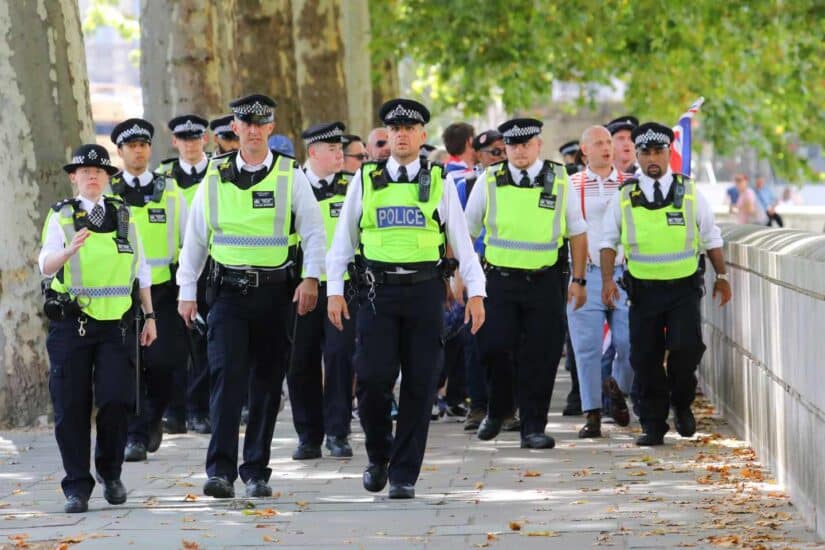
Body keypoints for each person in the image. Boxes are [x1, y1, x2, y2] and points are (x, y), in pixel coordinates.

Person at [326, 98, 486, 499]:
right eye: (393, 128)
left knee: (420, 384)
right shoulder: (364, 179)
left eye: (408, 128)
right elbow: (342, 241)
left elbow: (462, 245)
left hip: (424, 292)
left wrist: (477, 293)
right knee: (374, 379)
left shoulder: (439, 181)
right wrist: (333, 290)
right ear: (386, 136)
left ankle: (403, 474)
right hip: (376, 293)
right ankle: (378, 455)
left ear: (421, 135)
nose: (400, 134)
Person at [176, 94, 326, 498]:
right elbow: (195, 238)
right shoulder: (214, 174)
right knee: (226, 376)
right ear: (235, 129)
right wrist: (186, 291)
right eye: (247, 124)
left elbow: (313, 232)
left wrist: (310, 279)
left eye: (262, 124)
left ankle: (256, 469)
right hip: (227, 293)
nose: (255, 131)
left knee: (266, 383)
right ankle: (219, 470)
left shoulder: (290, 175)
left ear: (271, 129)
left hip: (276, 295)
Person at [39, 144, 157, 513]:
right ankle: (77, 486)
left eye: (99, 171)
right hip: (71, 325)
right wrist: (68, 252)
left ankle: (111, 471)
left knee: (117, 401)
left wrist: (150, 316)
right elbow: (45, 265)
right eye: (85, 170)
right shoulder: (61, 216)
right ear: (74, 177)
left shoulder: (125, 215)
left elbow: (142, 271)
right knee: (71, 406)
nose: (92, 175)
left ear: (108, 178)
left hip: (116, 327)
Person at [600, 122, 732, 446]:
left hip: (683, 288)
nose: (652, 158)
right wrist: (606, 279)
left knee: (687, 349)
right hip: (643, 291)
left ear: (668, 153)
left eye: (658, 151)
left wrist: (723, 276)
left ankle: (682, 402)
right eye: (645, 152)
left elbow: (710, 236)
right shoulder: (625, 196)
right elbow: (608, 240)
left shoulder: (689, 192)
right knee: (644, 357)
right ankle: (653, 423)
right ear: (639, 156)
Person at [465, 117, 588, 448]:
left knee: (542, 355)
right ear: (505, 148)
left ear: (538, 145)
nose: (519, 151)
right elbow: (467, 231)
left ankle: (533, 427)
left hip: (545, 282)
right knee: (493, 348)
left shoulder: (559, 179)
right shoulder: (489, 180)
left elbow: (577, 231)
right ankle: (499, 409)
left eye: (526, 144)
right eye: (513, 145)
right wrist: (460, 276)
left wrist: (579, 279)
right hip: (498, 282)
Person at [108, 118, 189, 462]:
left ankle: (154, 417)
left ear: (150, 150)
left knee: (165, 362)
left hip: (163, 289)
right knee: (130, 363)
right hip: (122, 292)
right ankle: (136, 434)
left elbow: (188, 237)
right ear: (121, 152)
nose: (138, 151)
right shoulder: (109, 192)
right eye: (131, 147)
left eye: (143, 145)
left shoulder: (169, 189)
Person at [287, 121, 357, 460]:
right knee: (301, 360)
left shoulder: (352, 185)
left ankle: (338, 431)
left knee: (340, 356)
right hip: (300, 286)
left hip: (342, 286)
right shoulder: (290, 185)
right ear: (312, 152)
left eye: (340, 148)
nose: (339, 154)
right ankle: (308, 435)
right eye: (331, 149)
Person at [567, 126, 633, 438]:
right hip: (587, 273)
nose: (607, 148)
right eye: (599, 143)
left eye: (609, 142)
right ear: (585, 151)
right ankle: (592, 413)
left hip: (623, 274)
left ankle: (618, 388)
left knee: (629, 342)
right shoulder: (572, 185)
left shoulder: (629, 184)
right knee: (586, 347)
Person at [156, 115, 212, 435]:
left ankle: (198, 409)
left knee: (205, 341)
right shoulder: (162, 177)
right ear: (175, 141)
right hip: (175, 268)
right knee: (175, 342)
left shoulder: (220, 172)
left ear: (205, 139)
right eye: (183, 138)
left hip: (212, 265)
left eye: (196, 137)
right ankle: (174, 412)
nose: (190, 144)